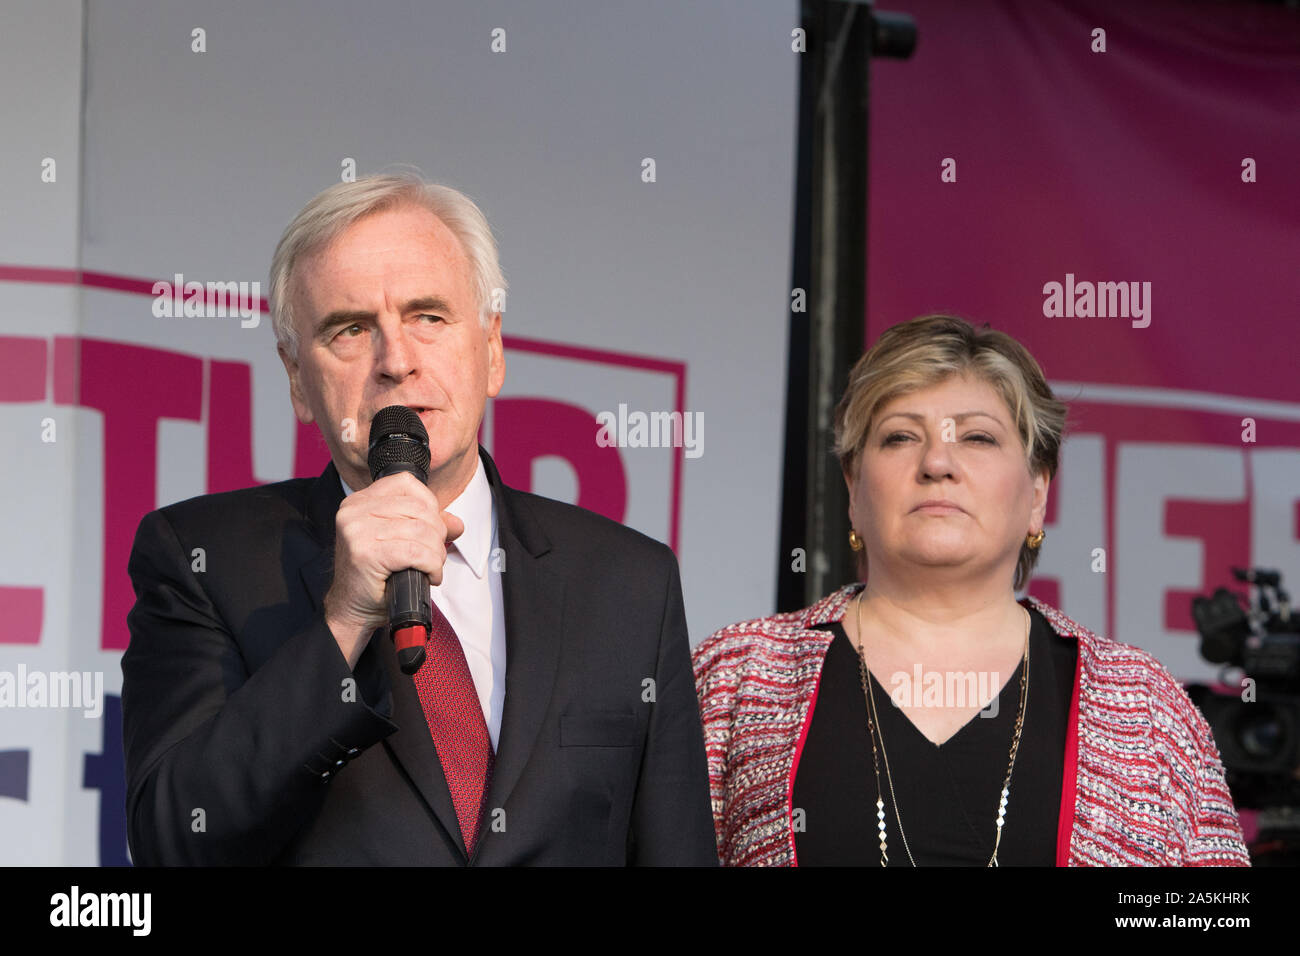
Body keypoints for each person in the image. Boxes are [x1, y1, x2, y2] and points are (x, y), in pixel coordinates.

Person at [121, 172, 717, 865]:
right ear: (295, 378)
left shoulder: (629, 582)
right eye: (350, 329)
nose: (396, 361)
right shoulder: (201, 558)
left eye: (428, 317)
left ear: (492, 350)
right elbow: (173, 837)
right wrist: (342, 621)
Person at [692, 314, 1249, 866]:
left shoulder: (1145, 705)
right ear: (854, 489)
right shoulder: (735, 676)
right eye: (901, 437)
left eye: (978, 437)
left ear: (1037, 491)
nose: (937, 462)